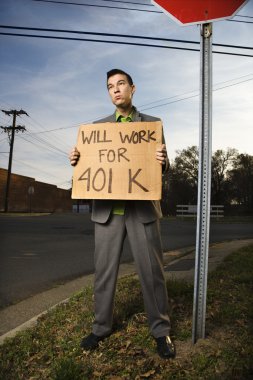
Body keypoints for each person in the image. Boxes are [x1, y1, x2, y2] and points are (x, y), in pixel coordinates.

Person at [69, 69, 175, 359]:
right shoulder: (96, 129)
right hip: (107, 212)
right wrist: (76, 160)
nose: (115, 90)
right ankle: (100, 327)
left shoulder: (152, 124)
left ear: (132, 88)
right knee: (103, 274)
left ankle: (161, 331)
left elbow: (165, 167)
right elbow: (87, 167)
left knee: (152, 273)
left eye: (121, 84)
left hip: (141, 211)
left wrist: (163, 161)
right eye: (110, 87)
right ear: (108, 93)